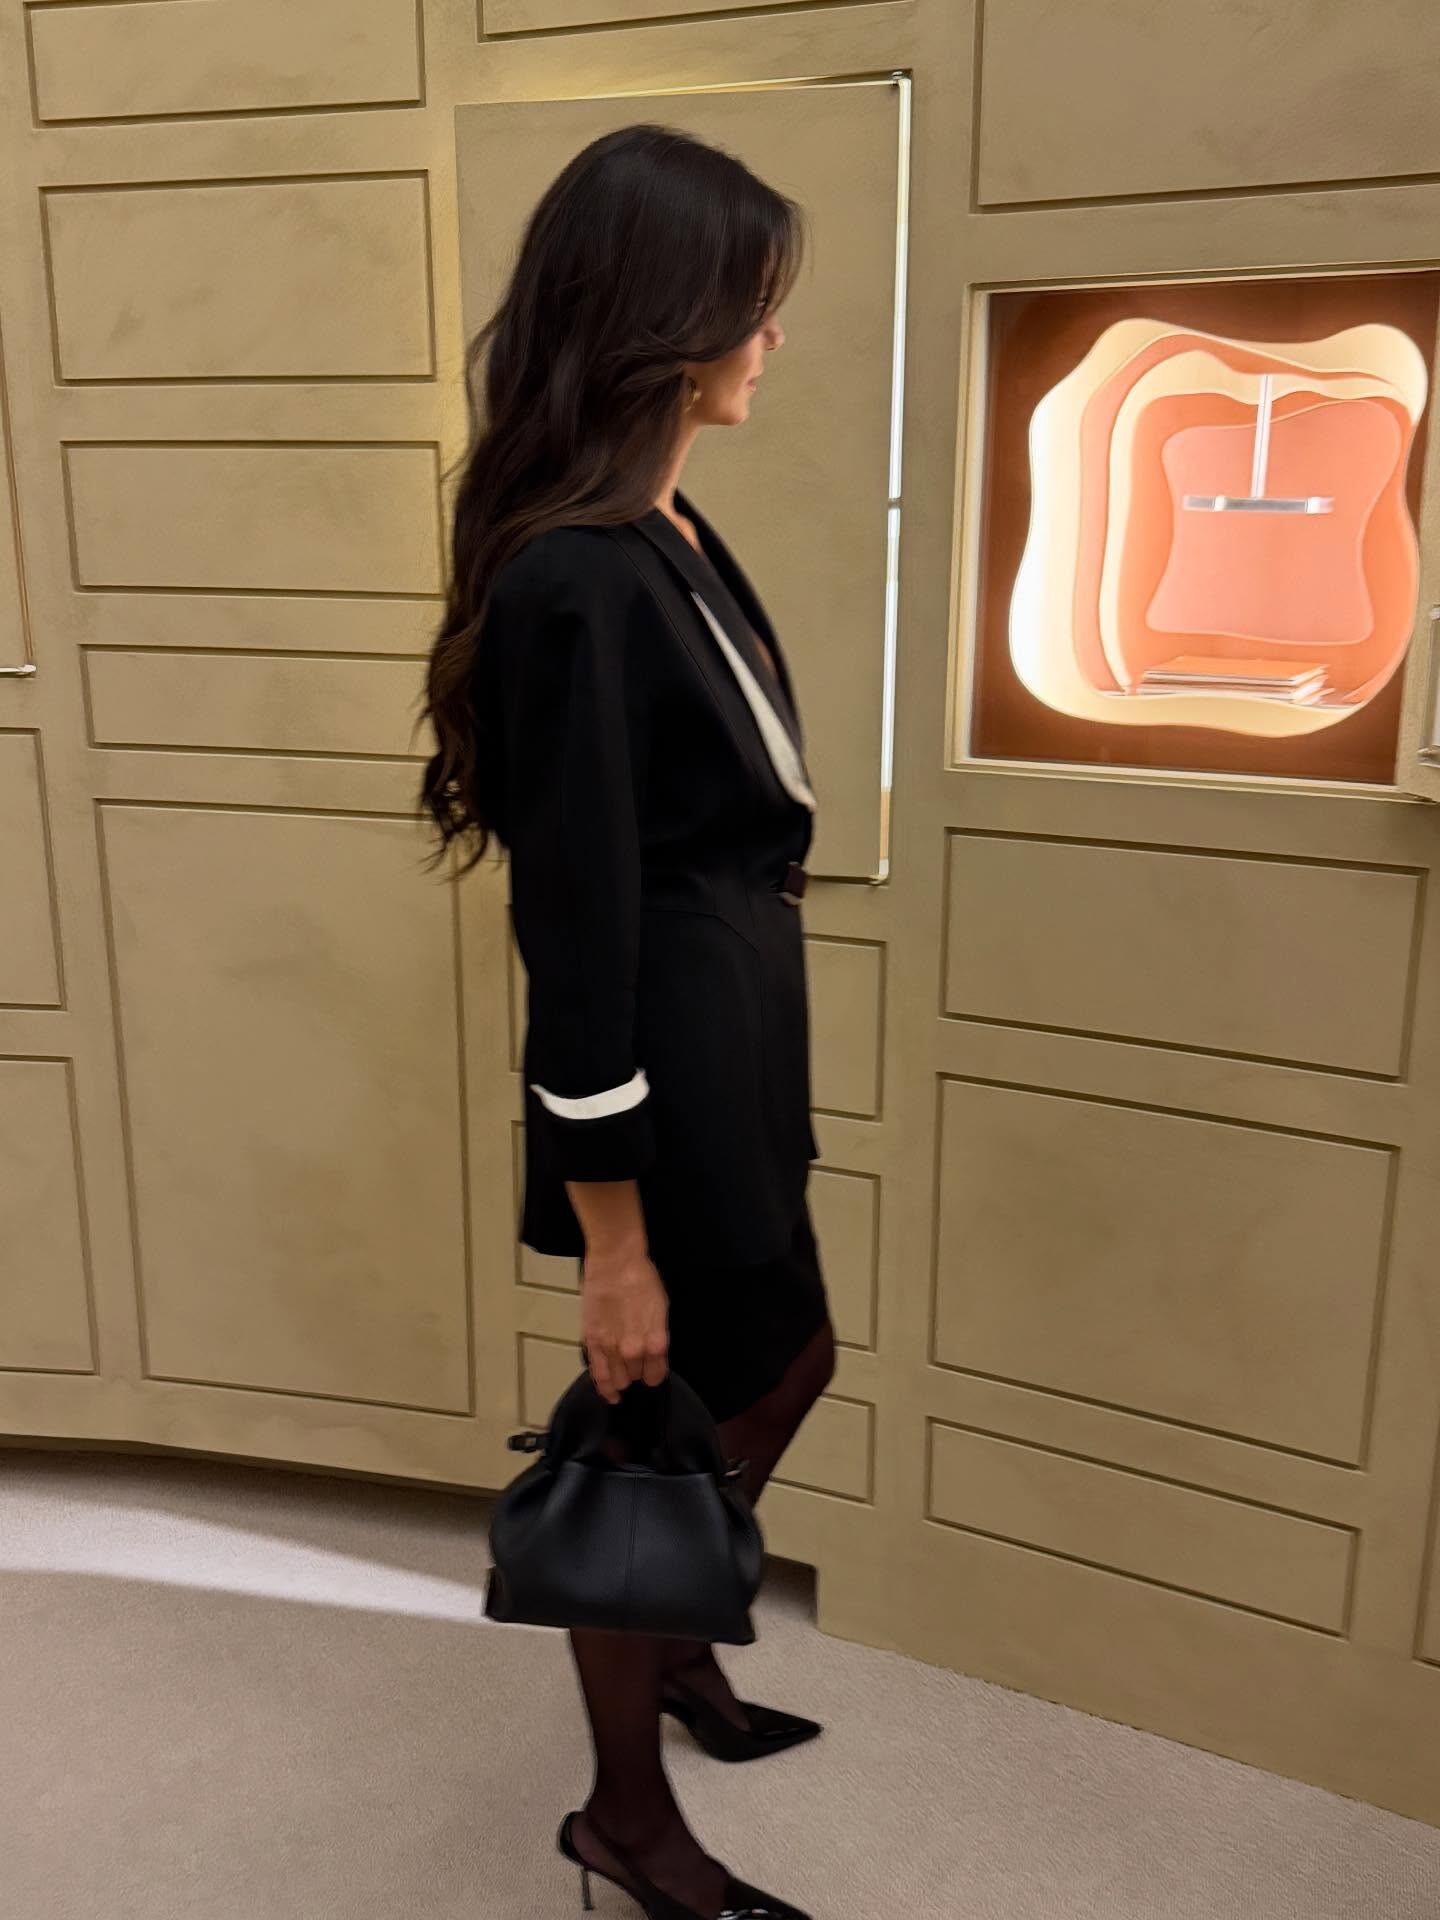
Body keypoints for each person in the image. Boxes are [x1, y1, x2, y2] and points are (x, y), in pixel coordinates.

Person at [419, 122, 836, 1920]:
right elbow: (572, 935)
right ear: (666, 321)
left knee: (790, 1360)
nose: (772, 338)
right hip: (656, 1069)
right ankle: (625, 1819)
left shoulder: (667, 522)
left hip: (738, 1046)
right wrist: (612, 1242)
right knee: (651, 1435)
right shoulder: (574, 575)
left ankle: (671, 1644)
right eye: (754, 304)